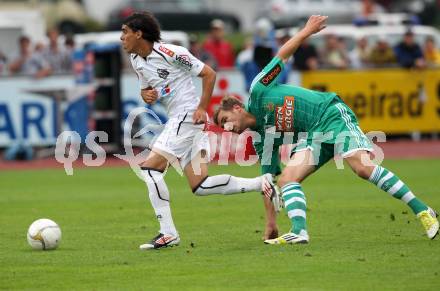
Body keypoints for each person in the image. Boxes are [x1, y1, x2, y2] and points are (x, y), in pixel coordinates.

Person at [213, 15, 439, 245]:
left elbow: (282, 56)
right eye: (222, 127)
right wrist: (270, 223)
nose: (227, 128)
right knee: (286, 179)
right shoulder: (262, 139)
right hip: (316, 134)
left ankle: (423, 210)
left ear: (238, 107)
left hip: (330, 113)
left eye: (225, 120)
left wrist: (306, 31)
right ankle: (299, 232)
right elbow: (267, 182)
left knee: (362, 168)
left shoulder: (259, 91)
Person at [120, 12, 279, 250]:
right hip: (181, 119)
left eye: (125, 32)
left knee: (149, 169)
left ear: (138, 33)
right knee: (200, 185)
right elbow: (147, 90)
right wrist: (146, 95)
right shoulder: (136, 59)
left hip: (188, 116)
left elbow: (209, 73)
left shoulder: (171, 52)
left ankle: (168, 233)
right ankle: (263, 183)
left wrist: (202, 107)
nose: (121, 37)